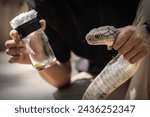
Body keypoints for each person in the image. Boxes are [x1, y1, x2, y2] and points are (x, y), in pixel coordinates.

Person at [5, 0, 150, 99]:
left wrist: (147, 31)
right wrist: (36, 58)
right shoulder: (43, 5)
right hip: (106, 77)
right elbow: (62, 78)